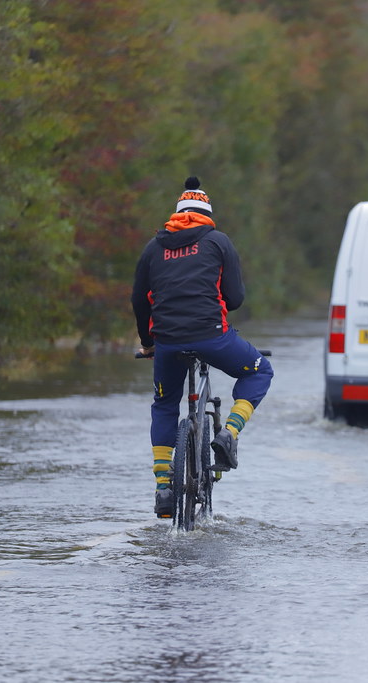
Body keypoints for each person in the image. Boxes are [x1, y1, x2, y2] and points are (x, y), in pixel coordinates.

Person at [131, 176, 274, 518]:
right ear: (207, 213)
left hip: (166, 341)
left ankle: (164, 487)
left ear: (177, 213)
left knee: (165, 403)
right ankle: (229, 433)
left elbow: (139, 300)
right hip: (213, 337)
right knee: (259, 371)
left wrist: (149, 343)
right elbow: (236, 298)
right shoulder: (217, 241)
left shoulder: (154, 247)